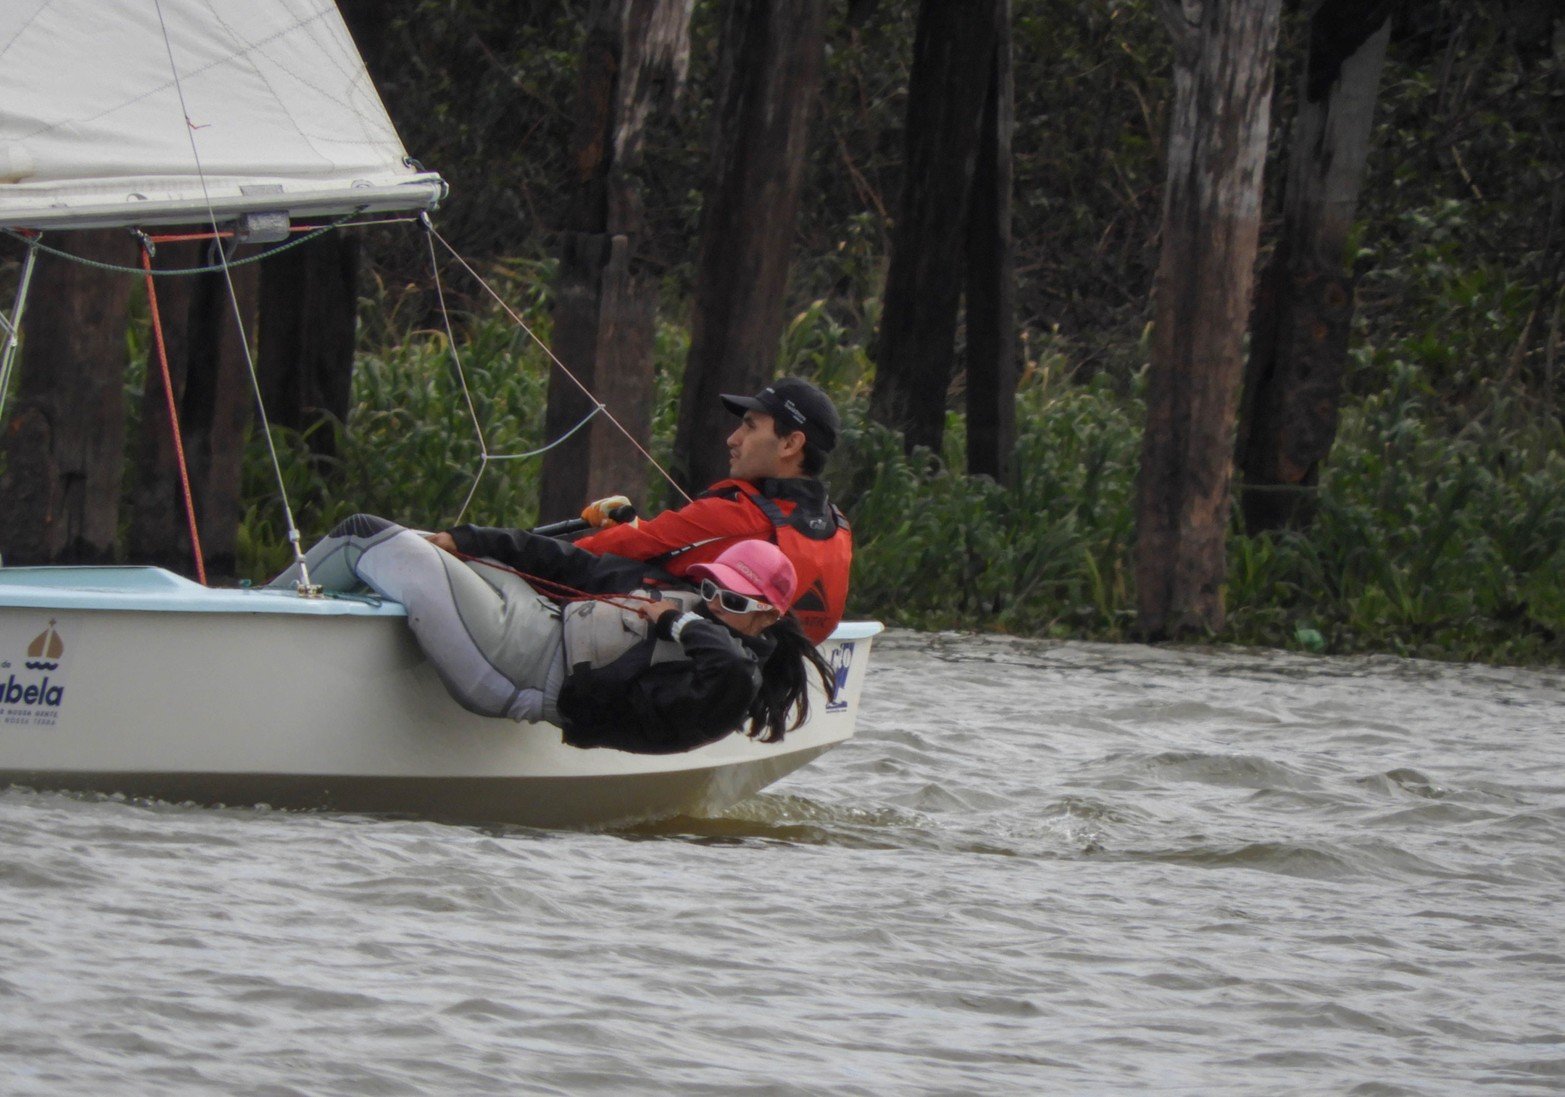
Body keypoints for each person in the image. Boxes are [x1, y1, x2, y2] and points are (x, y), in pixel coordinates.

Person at [273, 515, 835, 755]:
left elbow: (729, 668)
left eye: (733, 601)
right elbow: (568, 563)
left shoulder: (732, 679)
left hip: (519, 668)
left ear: (767, 618)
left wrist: (675, 620)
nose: (715, 603)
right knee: (412, 540)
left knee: (362, 536)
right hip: (528, 615)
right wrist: (466, 538)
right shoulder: (679, 596)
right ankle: (269, 606)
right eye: (711, 587)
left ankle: (261, 612)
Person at [571, 376, 853, 645]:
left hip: (706, 672)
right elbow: (667, 544)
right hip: (781, 670)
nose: (733, 439)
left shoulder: (735, 515)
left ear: (790, 444)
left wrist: (532, 551)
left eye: (750, 426)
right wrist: (634, 525)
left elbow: (590, 556)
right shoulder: (838, 527)